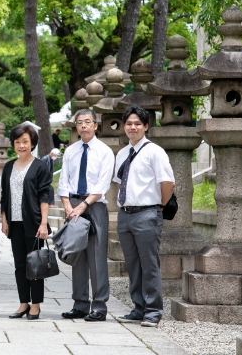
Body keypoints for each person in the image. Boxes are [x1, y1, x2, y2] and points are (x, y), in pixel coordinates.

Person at [114, 104, 174, 328]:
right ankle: (138, 308)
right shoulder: (122, 153)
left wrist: (160, 206)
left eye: (137, 124)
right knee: (132, 264)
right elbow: (119, 183)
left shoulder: (154, 151)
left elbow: (168, 183)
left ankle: (153, 311)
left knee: (149, 264)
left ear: (146, 126)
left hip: (147, 213)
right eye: (129, 123)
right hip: (125, 214)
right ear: (124, 126)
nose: (133, 127)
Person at [57, 109, 114, 322]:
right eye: (79, 122)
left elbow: (102, 185)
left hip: (95, 206)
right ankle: (80, 304)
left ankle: (99, 306)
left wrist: (83, 205)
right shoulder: (70, 151)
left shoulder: (105, 151)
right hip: (73, 204)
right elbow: (63, 181)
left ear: (95, 125)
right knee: (77, 255)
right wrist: (67, 205)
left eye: (87, 122)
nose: (83, 126)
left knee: (97, 256)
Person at [1, 124, 52, 320]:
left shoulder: (40, 166)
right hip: (14, 223)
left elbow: (44, 196)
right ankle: (23, 303)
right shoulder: (8, 167)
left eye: (25, 142)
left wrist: (43, 224)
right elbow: (5, 196)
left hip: (34, 223)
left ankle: (35, 305)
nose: (21, 146)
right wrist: (4, 220)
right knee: (20, 265)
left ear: (32, 144)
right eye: (17, 142)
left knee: (35, 265)